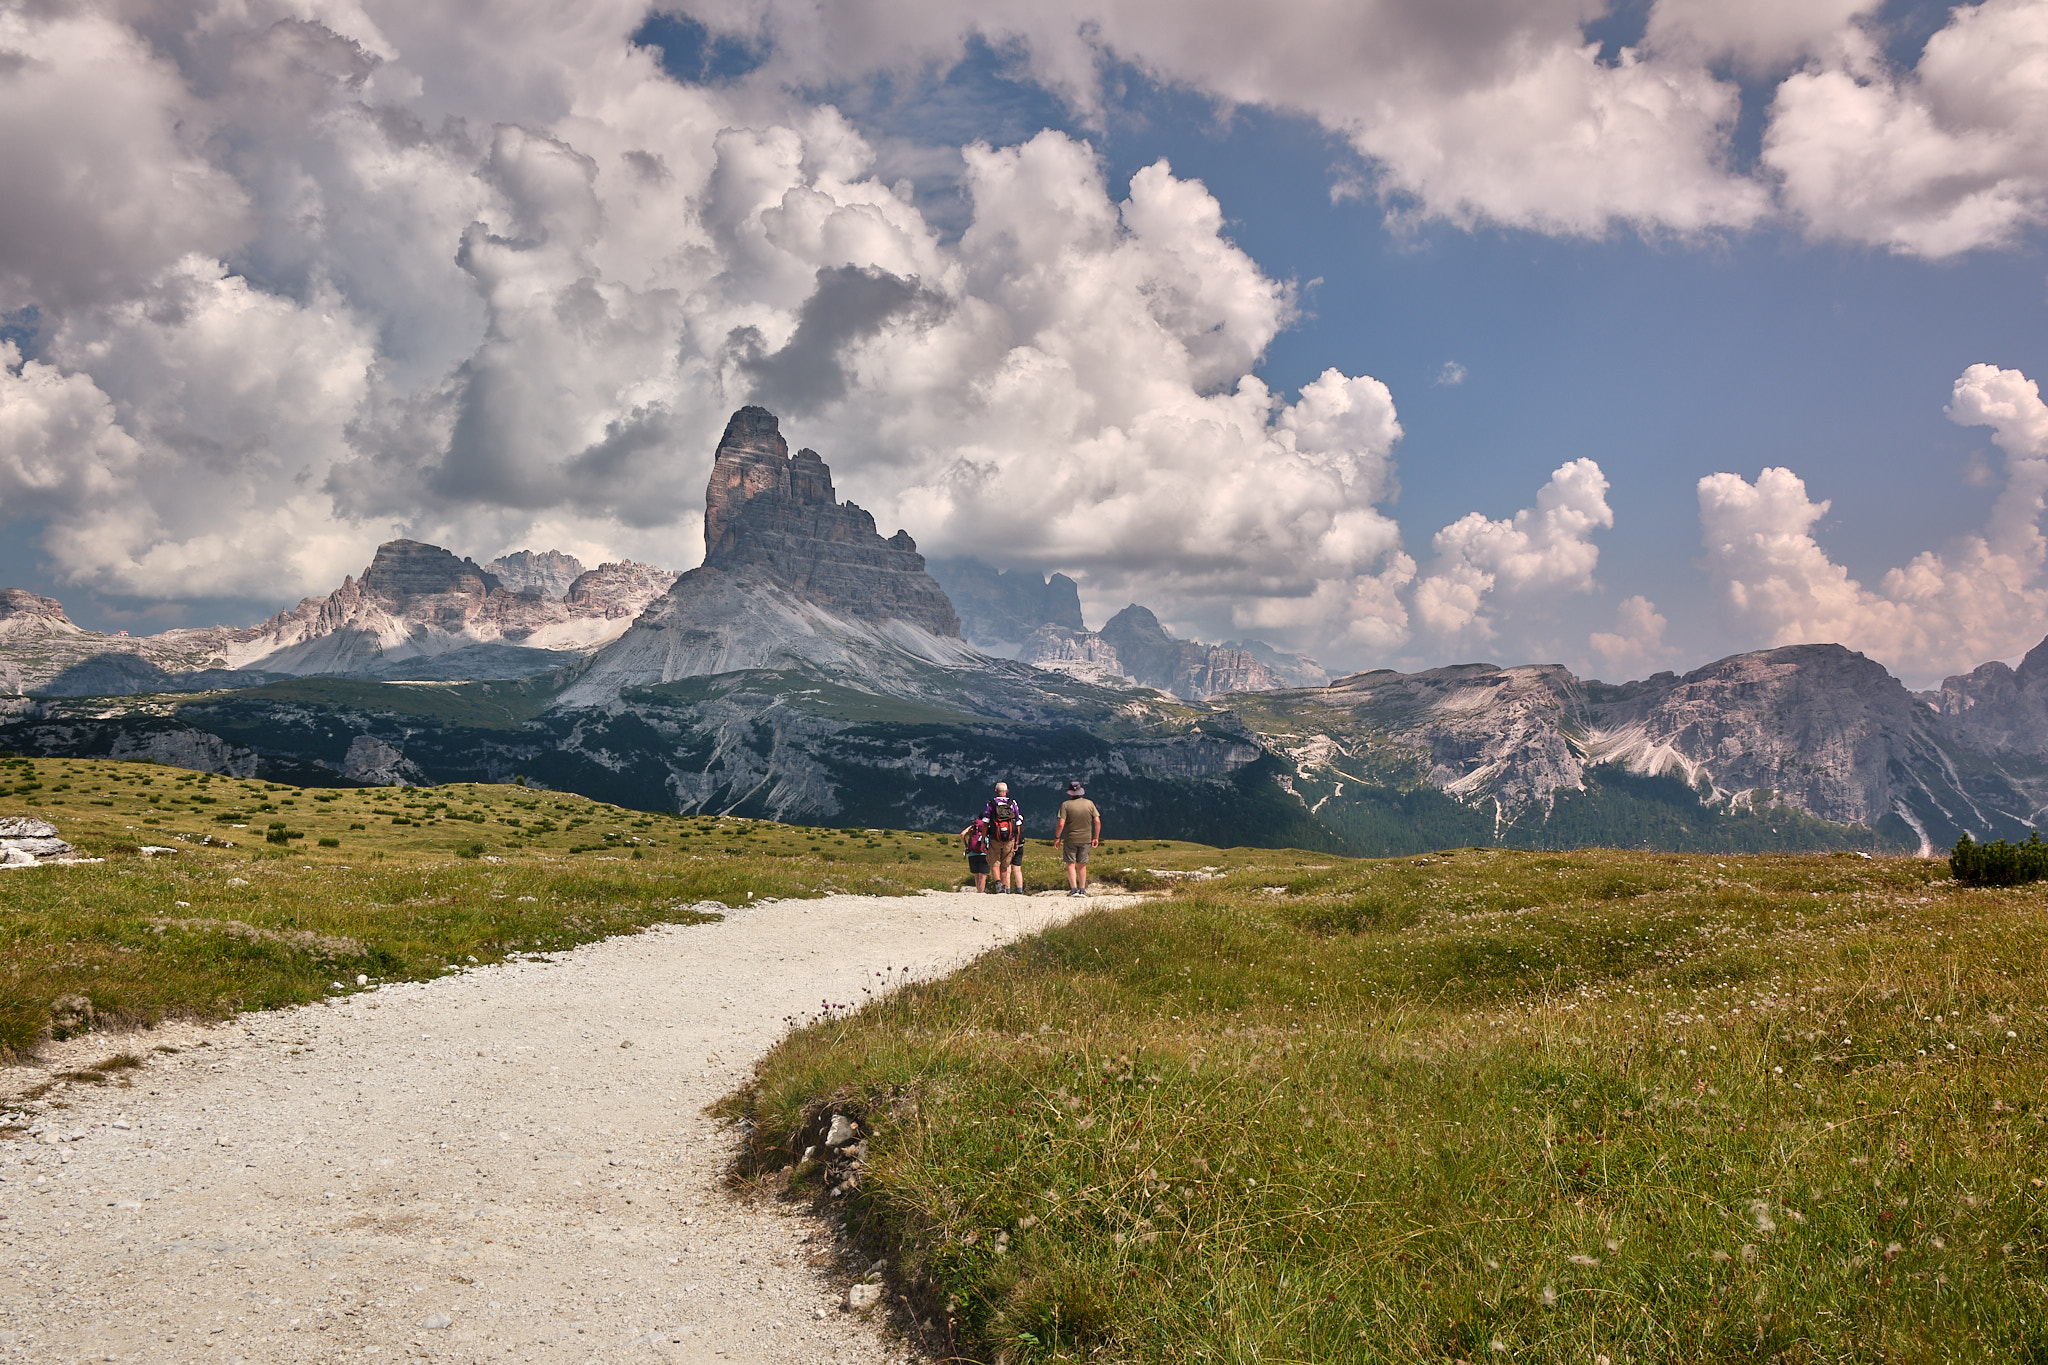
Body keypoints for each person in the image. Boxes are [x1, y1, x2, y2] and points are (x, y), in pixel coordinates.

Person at [1052, 779, 1101, 897]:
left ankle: (1074, 889)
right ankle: (1083, 889)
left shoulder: (1065, 805)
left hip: (1070, 839)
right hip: (1086, 839)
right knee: (1082, 864)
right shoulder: (1089, 803)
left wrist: (1057, 837)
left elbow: (1061, 824)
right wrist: (1096, 837)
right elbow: (1097, 821)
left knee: (1070, 864)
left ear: (1069, 793)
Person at [980, 781, 1023, 894]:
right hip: (1010, 838)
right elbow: (1018, 823)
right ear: (1007, 792)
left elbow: (985, 823)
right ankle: (1004, 887)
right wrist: (1017, 840)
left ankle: (998, 883)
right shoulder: (1012, 803)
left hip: (995, 837)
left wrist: (983, 840)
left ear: (995, 791)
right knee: (1005, 864)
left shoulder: (991, 803)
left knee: (995, 862)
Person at [958, 814, 992, 893]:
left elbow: (962, 834)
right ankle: (981, 892)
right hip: (985, 853)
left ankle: (977, 890)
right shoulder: (988, 825)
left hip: (972, 853)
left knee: (976, 875)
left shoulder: (973, 826)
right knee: (983, 875)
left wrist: (966, 846)